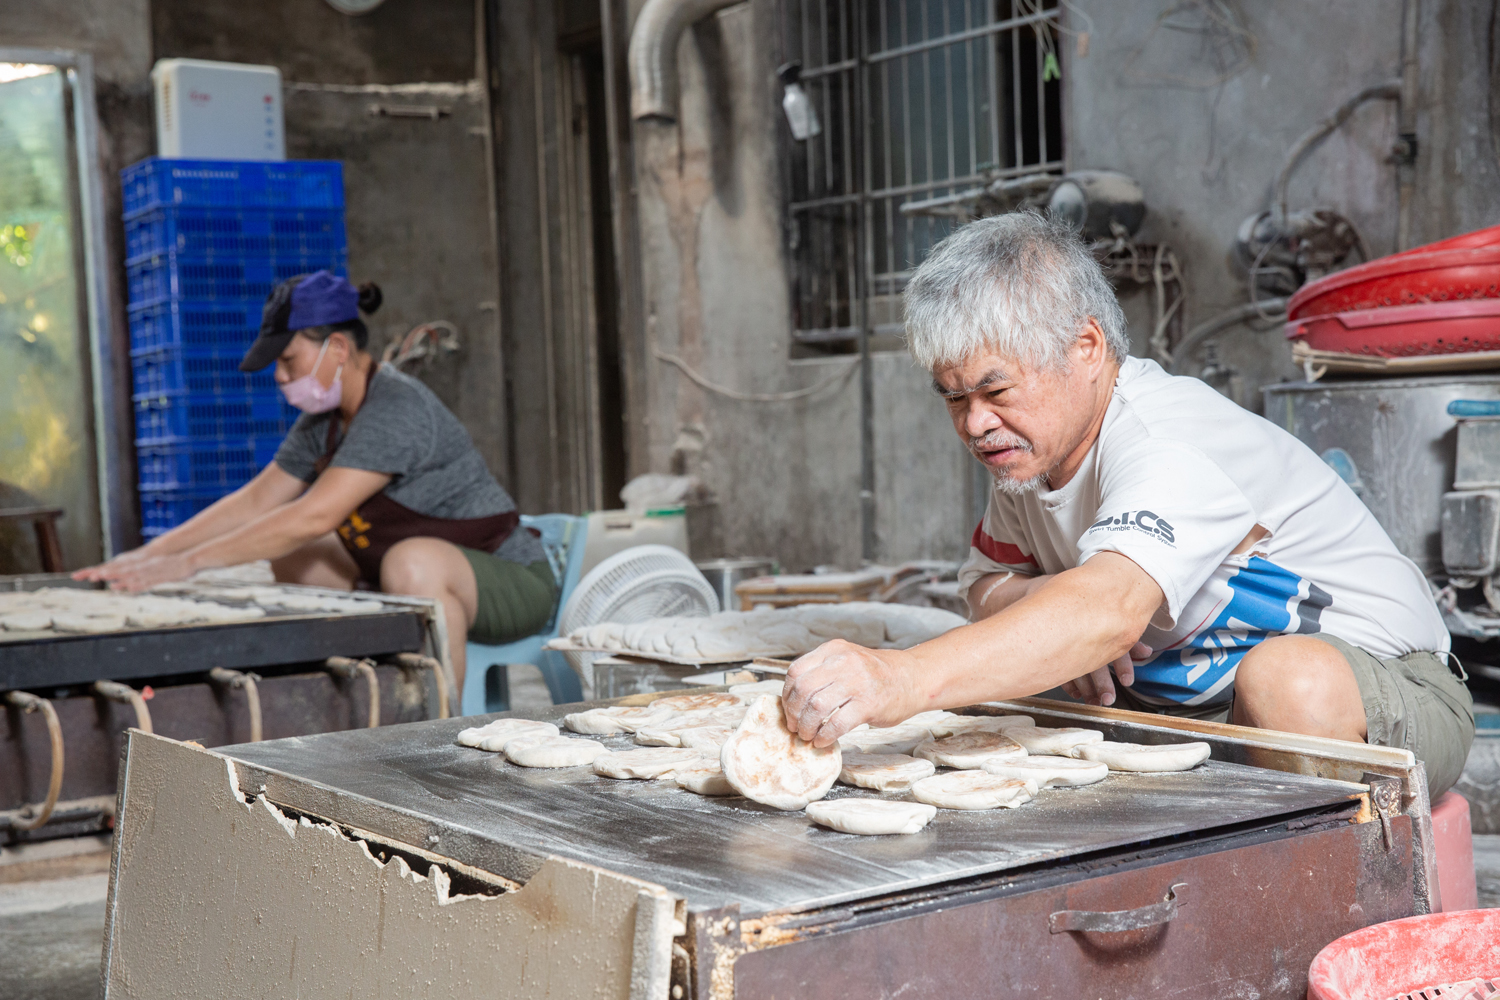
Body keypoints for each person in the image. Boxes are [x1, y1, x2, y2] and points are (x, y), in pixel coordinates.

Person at [781, 213, 1475, 797]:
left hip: (1392, 690)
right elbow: (982, 586)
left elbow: (1108, 608)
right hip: (1198, 713)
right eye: (955, 399)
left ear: (1086, 347)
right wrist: (1057, 610)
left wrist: (897, 679)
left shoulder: (1168, 439)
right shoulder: (1031, 455)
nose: (975, 423)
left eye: (996, 391)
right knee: (1008, 686)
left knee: (1287, 680)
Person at [76, 271, 555, 691]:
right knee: (298, 558)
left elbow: (313, 515)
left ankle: (431, 722)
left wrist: (190, 565)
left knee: (411, 561)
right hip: (407, 572)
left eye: (289, 361)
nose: (281, 377)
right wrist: (147, 557)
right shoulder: (323, 422)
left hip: (508, 581)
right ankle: (352, 692)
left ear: (338, 349)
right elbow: (257, 500)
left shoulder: (396, 408)